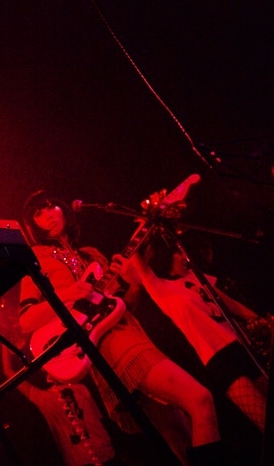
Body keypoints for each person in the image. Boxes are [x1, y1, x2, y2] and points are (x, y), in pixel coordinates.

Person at [18, 192, 224, 466]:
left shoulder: (92, 255)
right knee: (201, 401)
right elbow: (26, 320)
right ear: (33, 225)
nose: (47, 214)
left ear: (63, 209)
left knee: (179, 435)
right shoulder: (37, 258)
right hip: (108, 349)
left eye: (51, 207)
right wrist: (68, 292)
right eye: (38, 213)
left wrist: (134, 284)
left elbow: (121, 307)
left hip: (132, 334)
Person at [112, 237, 268, 435]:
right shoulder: (160, 287)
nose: (184, 257)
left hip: (242, 346)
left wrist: (262, 322)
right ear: (165, 257)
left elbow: (230, 303)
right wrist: (148, 220)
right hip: (220, 359)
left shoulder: (195, 277)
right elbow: (136, 254)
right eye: (177, 253)